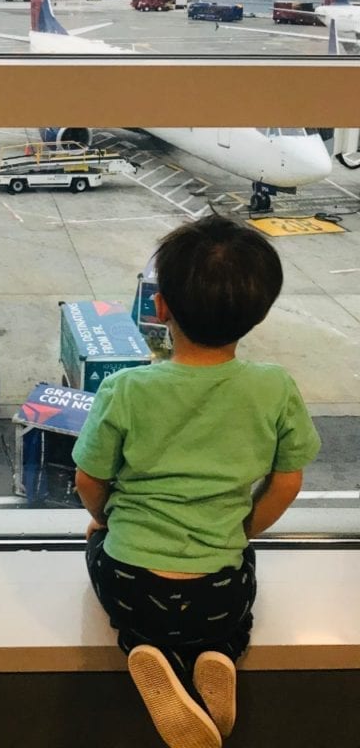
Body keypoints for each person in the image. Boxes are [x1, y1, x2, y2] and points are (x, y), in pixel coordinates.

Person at [72, 213, 320, 748]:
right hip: (219, 592)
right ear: (261, 312)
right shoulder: (275, 388)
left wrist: (103, 520)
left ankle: (144, 646)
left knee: (96, 545)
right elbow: (288, 481)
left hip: (129, 583)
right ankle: (222, 651)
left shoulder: (125, 389)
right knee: (238, 584)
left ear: (159, 309)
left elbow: (88, 480)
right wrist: (245, 528)